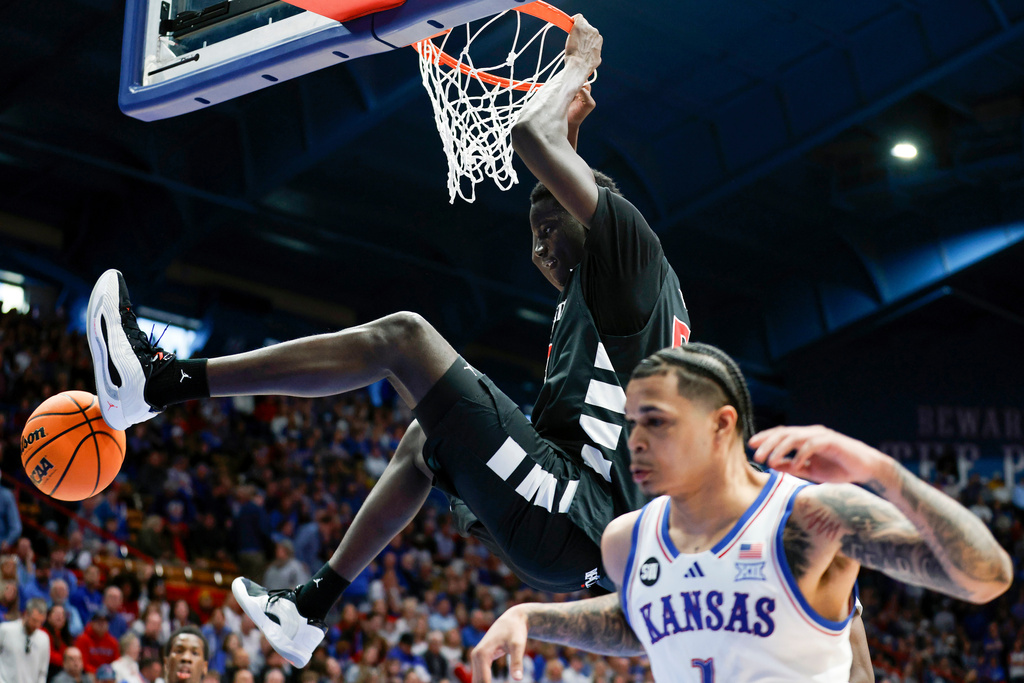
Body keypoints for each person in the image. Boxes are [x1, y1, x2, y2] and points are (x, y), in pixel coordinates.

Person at [86, 12, 688, 670]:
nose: (541, 252)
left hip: (569, 509)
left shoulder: (629, 242)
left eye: (549, 233)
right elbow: (564, 179)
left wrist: (579, 62)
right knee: (425, 438)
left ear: (590, 216)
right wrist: (572, 127)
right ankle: (309, 607)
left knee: (404, 338)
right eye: (535, 238)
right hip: (569, 520)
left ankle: (158, 383)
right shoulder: (626, 290)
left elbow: (526, 135)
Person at [469, 344, 1013, 682]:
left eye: (656, 422)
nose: (634, 441)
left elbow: (986, 578)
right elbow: (645, 622)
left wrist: (882, 472)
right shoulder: (627, 539)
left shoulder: (811, 514)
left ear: (721, 425)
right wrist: (530, 616)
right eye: (631, 423)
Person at [0, 597, 50, 683]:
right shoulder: (6, 629)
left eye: (41, 622)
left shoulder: (44, 638)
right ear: (26, 614)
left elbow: (42, 672)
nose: (37, 625)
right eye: (34, 620)